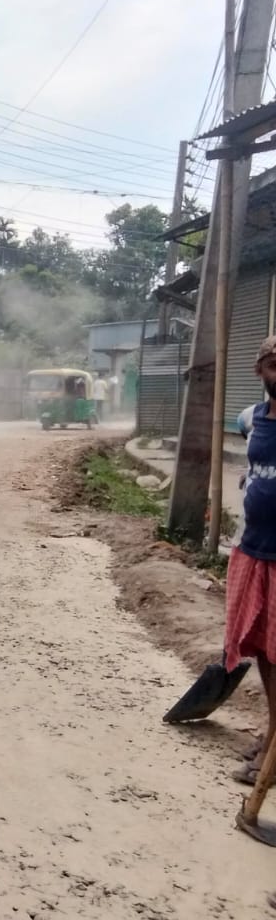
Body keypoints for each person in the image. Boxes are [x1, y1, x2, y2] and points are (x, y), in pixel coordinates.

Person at [226, 337, 276, 794]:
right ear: (261, 370)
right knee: (262, 647)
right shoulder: (253, 419)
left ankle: (272, 753)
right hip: (254, 549)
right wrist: (252, 473)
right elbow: (260, 459)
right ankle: (270, 735)